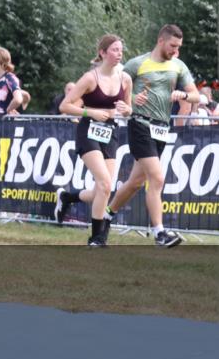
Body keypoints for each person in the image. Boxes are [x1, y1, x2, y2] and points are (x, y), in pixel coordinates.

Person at [103, 24, 198, 247]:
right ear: (161, 41)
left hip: (161, 129)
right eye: (173, 46)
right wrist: (132, 98)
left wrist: (183, 93)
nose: (176, 50)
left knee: (135, 182)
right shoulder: (137, 63)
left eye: (179, 46)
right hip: (140, 124)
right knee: (157, 178)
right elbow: (113, 88)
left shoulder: (178, 65)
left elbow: (196, 96)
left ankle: (106, 216)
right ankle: (159, 233)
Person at [53, 35, 133, 246]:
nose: (119, 54)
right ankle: (96, 238)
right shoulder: (90, 78)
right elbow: (65, 106)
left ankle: (68, 198)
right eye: (115, 50)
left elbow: (128, 109)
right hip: (88, 131)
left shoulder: (125, 79)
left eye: (121, 50)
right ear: (103, 53)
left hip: (110, 133)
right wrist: (91, 112)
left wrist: (126, 110)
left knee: (103, 189)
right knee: (105, 183)